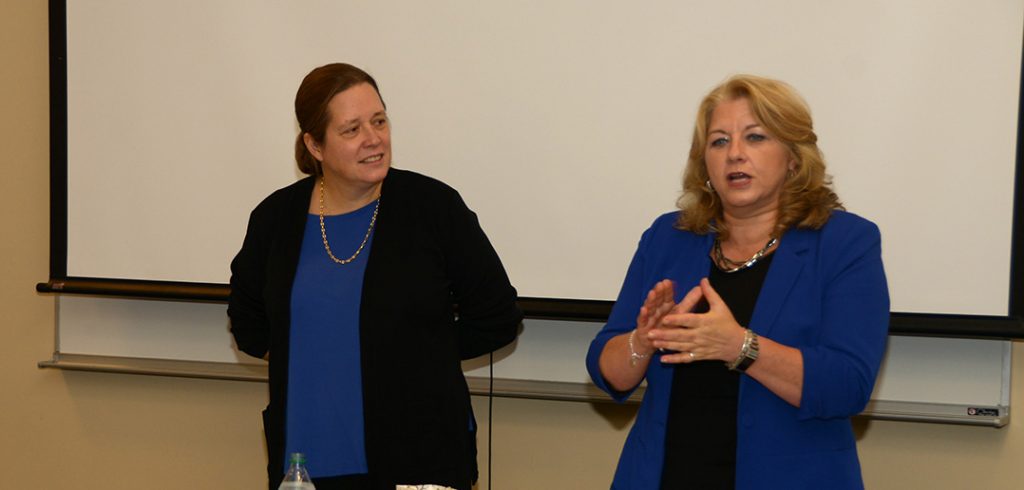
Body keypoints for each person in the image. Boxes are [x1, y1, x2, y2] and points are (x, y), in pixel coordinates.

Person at [228, 63, 523, 490]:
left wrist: (419, 358)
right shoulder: (275, 219)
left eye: (379, 121)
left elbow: (498, 315)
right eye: (352, 130)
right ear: (315, 144)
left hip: (419, 458)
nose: (374, 139)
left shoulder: (433, 208)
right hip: (305, 463)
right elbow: (250, 324)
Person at [586, 75, 889, 489]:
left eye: (756, 137)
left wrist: (739, 347)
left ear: (794, 158)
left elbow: (848, 385)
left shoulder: (843, 243)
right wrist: (643, 340)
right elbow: (608, 372)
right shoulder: (669, 238)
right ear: (704, 163)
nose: (735, 155)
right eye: (719, 141)